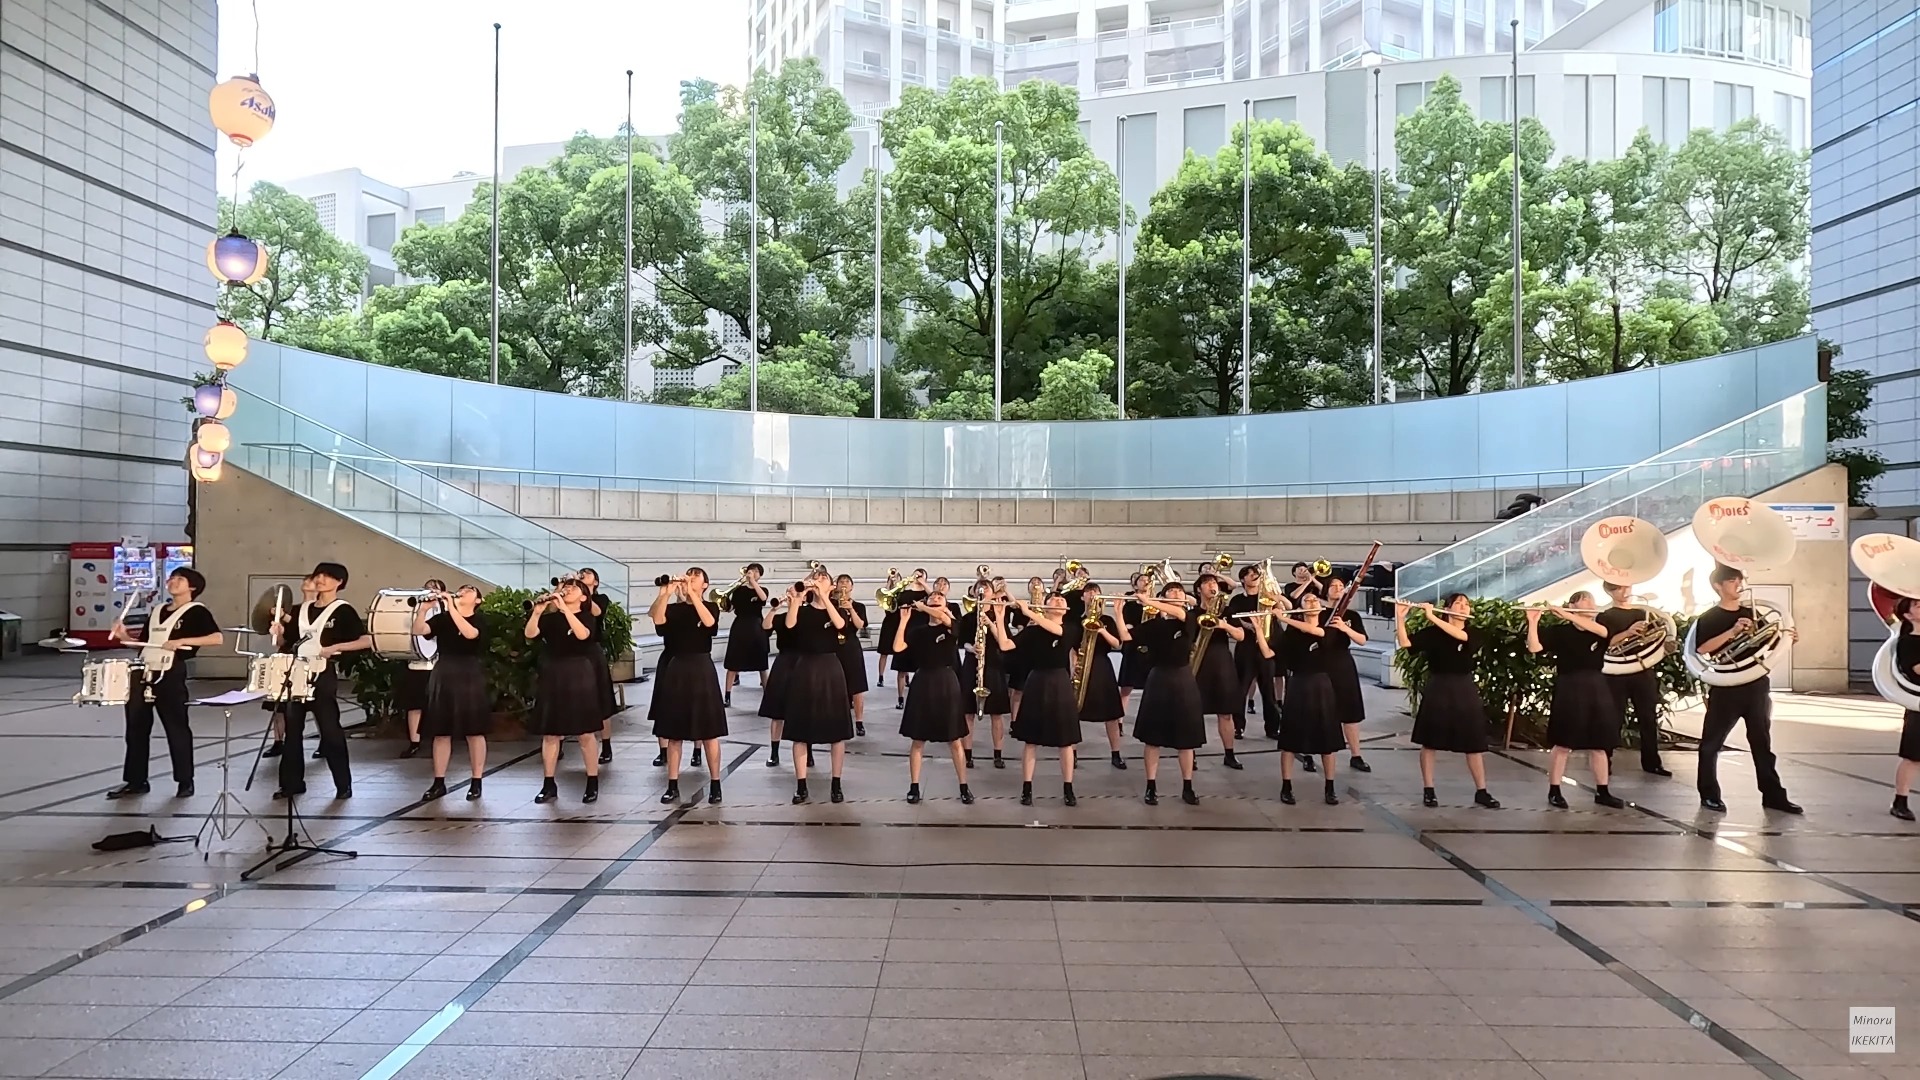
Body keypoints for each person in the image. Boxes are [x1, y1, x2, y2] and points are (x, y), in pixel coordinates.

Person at [1692, 564, 1801, 814]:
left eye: (1740, 580)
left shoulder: (1753, 613)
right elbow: (1703, 649)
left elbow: (1766, 642)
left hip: (1756, 685)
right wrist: (1733, 632)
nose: (1738, 585)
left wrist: (1787, 639)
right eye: (1732, 581)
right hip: (1726, 686)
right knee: (1711, 744)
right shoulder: (1709, 617)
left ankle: (1773, 796)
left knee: (1762, 743)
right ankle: (1709, 795)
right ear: (1718, 586)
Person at [105, 568, 221, 799]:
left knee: (176, 728)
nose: (173, 582)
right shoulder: (157, 610)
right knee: (136, 728)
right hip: (143, 671)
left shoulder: (196, 611)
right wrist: (125, 637)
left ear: (192, 587)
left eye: (180, 579)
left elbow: (216, 638)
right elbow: (145, 644)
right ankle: (136, 780)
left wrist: (181, 641)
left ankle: (185, 781)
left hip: (170, 673)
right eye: (171, 578)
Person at [274, 562, 373, 801]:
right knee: (292, 730)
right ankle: (291, 783)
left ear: (339, 582)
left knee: (330, 730)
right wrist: (277, 632)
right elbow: (284, 644)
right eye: (319, 575)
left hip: (322, 674)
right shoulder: (300, 610)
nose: (321, 579)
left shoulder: (343, 610)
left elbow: (367, 640)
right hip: (294, 673)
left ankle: (343, 784)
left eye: (328, 576)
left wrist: (336, 647)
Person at [1395, 595, 1500, 809]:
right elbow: (1406, 643)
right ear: (1449, 608)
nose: (1463, 607)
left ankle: (1481, 791)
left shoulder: (1473, 631)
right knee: (1430, 741)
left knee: (1474, 742)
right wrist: (1400, 618)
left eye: (1466, 604)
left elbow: (1460, 636)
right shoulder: (1434, 633)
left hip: (1464, 686)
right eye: (1458, 604)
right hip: (1439, 686)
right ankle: (1429, 789)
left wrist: (1432, 617)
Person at [1527, 594, 1626, 810]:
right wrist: (1533, 622)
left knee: (1600, 744)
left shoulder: (1602, 625)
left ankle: (1603, 791)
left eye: (1591, 600)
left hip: (1596, 685)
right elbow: (1534, 647)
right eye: (1584, 600)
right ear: (1572, 605)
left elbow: (1602, 633)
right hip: (1570, 686)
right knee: (1563, 743)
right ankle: (1554, 790)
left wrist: (1565, 614)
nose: (1590, 604)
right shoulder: (1561, 631)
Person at [649, 568, 727, 806]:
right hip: (677, 667)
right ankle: (672, 784)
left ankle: (715, 783)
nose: (689, 579)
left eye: (696, 577)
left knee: (709, 732)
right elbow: (657, 618)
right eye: (688, 575)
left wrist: (692, 596)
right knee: (674, 734)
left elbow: (709, 623)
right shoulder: (672, 609)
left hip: (701, 666)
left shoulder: (711, 606)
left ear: (705, 585)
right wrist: (666, 593)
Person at [525, 578, 606, 804]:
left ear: (583, 597)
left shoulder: (586, 615)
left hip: (579, 672)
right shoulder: (551, 619)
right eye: (566, 587)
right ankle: (549, 783)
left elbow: (583, 635)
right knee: (551, 733)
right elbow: (530, 634)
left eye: (574, 588)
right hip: (553, 673)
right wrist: (538, 612)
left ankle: (592, 781)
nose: (568, 589)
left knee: (585, 732)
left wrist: (564, 610)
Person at [1129, 582, 1204, 805]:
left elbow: (1178, 612)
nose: (1177, 594)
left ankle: (1188, 786)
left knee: (1186, 740)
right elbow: (1127, 637)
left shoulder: (1189, 618)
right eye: (1171, 591)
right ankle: (1151, 786)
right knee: (1152, 739)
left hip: (1183, 678)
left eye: (1180, 591)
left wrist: (1149, 600)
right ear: (1163, 596)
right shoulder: (1153, 625)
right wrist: (1118, 612)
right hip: (1158, 679)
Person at [896, 591, 975, 805]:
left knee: (954, 738)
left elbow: (945, 619)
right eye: (932, 599)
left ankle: (964, 786)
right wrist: (903, 621)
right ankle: (914, 786)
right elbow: (898, 647)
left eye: (940, 599)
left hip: (946, 680)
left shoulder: (952, 626)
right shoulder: (919, 631)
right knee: (918, 739)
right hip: (923, 680)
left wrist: (925, 608)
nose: (936, 601)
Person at [784, 569, 854, 803]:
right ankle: (801, 784)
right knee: (800, 731)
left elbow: (840, 625)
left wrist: (824, 597)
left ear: (832, 586)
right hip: (805, 667)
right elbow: (790, 625)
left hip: (830, 667)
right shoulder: (803, 610)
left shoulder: (838, 608)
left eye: (823, 578)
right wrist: (796, 599)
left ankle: (836, 783)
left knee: (836, 732)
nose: (818, 580)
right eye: (816, 577)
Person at [414, 585, 490, 801]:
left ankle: (476, 781)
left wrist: (450, 606)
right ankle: (439, 782)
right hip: (444, 671)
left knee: (474, 731)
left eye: (469, 590)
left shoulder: (479, 619)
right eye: (461, 589)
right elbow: (419, 630)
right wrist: (423, 610)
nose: (463, 592)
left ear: (478, 600)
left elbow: (470, 634)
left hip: (468, 672)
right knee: (441, 731)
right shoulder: (443, 619)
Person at [1267, 593, 1342, 805]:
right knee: (1290, 741)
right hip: (1299, 684)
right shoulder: (1292, 633)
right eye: (1307, 601)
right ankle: (1286, 786)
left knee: (1327, 740)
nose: (1311, 603)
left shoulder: (1330, 627)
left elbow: (1315, 632)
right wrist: (1259, 629)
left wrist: (1283, 618)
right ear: (1300, 607)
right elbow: (1271, 653)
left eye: (1315, 601)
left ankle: (1330, 787)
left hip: (1322, 686)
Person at [1008, 591, 1082, 806]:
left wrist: (1027, 611)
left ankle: (1068, 788)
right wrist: (999, 616)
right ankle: (1027, 788)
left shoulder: (1071, 629)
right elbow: (1007, 645)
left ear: (1066, 608)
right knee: (1031, 741)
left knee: (1066, 741)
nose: (1059, 601)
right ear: (1047, 606)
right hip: (1037, 681)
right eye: (1054, 599)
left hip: (1059, 681)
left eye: (1062, 600)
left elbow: (1056, 630)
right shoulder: (1033, 631)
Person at [1598, 581, 1670, 776]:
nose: (1625, 590)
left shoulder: (1642, 613)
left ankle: (1652, 762)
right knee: (1614, 718)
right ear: (1609, 592)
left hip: (1642, 670)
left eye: (1626, 586)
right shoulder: (1605, 616)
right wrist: (1628, 633)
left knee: (1648, 717)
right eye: (1619, 588)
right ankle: (1606, 761)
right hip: (1616, 672)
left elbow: (1656, 637)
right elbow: (1605, 643)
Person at [1190, 571, 1248, 770]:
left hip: (1222, 662)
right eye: (1207, 583)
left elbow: (1240, 636)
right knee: (1194, 711)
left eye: (1214, 582)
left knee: (1225, 712)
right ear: (1199, 589)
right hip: (1199, 662)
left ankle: (1229, 753)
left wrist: (1224, 625)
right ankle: (1191, 753)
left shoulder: (1226, 610)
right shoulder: (1192, 614)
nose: (1212, 586)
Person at [956, 578, 1012, 770]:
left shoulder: (999, 614)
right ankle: (968, 754)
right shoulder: (968, 618)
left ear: (991, 592)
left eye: (986, 587)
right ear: (973, 592)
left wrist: (991, 622)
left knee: (996, 714)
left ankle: (998, 754)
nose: (982, 590)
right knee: (968, 712)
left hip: (994, 664)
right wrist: (972, 648)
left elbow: (1004, 641)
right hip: (973, 664)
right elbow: (962, 641)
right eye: (978, 588)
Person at [260, 575, 316, 761]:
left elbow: (305, 631)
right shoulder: (295, 609)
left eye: (312, 580)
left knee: (315, 703)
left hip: (310, 659)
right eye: (307, 580)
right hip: (287, 657)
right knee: (278, 703)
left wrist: (285, 616)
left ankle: (324, 741)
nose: (307, 583)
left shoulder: (320, 611)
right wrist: (279, 634)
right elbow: (283, 640)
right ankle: (278, 741)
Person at [1075, 582, 1129, 770]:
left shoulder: (1107, 620)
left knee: (1111, 714)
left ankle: (1116, 753)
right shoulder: (1075, 620)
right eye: (1088, 592)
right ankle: (1071, 753)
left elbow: (1117, 644)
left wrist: (1102, 630)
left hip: (1101, 666)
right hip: (1082, 667)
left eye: (1095, 592)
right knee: (1075, 711)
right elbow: (1072, 649)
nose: (1092, 595)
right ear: (1083, 597)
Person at [1322, 576, 1372, 772]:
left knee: (1350, 711)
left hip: (1343, 662)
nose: (1337, 588)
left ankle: (1356, 754)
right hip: (1321, 662)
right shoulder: (1318, 613)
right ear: (1325, 590)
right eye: (1333, 586)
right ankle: (1311, 751)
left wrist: (1343, 627)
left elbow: (1362, 640)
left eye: (1341, 586)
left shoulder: (1351, 615)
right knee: (1321, 710)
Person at [1229, 566, 1281, 741]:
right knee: (1241, 689)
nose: (1255, 577)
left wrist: (1276, 598)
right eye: (1250, 575)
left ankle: (1273, 728)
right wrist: (1247, 625)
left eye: (1256, 575)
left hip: (1266, 648)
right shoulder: (1237, 600)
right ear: (1243, 579)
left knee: (1269, 691)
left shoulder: (1266, 597)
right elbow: (1233, 618)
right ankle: (1238, 727)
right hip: (1246, 648)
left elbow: (1282, 609)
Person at [396, 577, 447, 759]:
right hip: (416, 663)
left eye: (435, 588)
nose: (430, 591)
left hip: (439, 664)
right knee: (414, 704)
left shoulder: (447, 610)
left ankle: (440, 741)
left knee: (439, 705)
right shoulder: (414, 608)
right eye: (427, 588)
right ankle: (414, 742)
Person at [577, 568, 620, 765]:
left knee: (601, 698)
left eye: (587, 574)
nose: (582, 576)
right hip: (572, 652)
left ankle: (607, 744)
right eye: (580, 573)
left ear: (596, 581)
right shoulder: (570, 598)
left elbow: (596, 611)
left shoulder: (600, 598)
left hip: (592, 650)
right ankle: (558, 742)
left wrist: (584, 593)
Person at [722, 563, 770, 707]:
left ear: (760, 575)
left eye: (756, 571)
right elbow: (731, 608)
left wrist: (753, 582)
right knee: (733, 661)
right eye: (750, 571)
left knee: (761, 662)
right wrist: (724, 601)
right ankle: (727, 695)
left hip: (756, 625)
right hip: (740, 624)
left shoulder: (762, 589)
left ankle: (768, 694)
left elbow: (763, 599)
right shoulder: (738, 590)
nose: (752, 573)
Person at [1891, 598, 1920, 822]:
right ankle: (1900, 802)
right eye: (1917, 605)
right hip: (1917, 704)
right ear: (1908, 616)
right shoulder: (1907, 642)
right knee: (1913, 757)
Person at [833, 574, 871, 737]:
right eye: (841, 581)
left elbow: (860, 625)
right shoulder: (831, 605)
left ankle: (859, 721)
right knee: (835, 684)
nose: (844, 584)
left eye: (847, 582)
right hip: (834, 645)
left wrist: (850, 608)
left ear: (852, 587)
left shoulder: (859, 606)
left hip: (851, 646)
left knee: (857, 685)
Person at [887, 570, 931, 709]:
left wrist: (923, 583)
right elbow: (891, 604)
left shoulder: (927, 595)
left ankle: (921, 698)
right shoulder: (905, 594)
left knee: (922, 669)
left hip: (922, 635)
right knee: (901, 668)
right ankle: (900, 698)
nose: (918, 577)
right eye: (916, 574)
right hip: (906, 632)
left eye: (921, 575)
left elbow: (935, 596)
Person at [1117, 572, 1153, 710]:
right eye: (1141, 580)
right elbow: (1127, 626)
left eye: (1147, 580)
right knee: (1127, 687)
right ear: (1135, 585)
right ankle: (1119, 719)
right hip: (1133, 645)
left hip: (1151, 647)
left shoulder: (1156, 603)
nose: (1145, 582)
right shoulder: (1130, 605)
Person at [875, 568, 906, 690]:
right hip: (889, 623)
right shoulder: (887, 594)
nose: (894, 580)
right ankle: (881, 676)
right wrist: (888, 585)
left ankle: (905, 676)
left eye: (897, 578)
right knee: (884, 652)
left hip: (900, 623)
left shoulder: (904, 595)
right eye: (893, 578)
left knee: (903, 651)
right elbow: (884, 603)